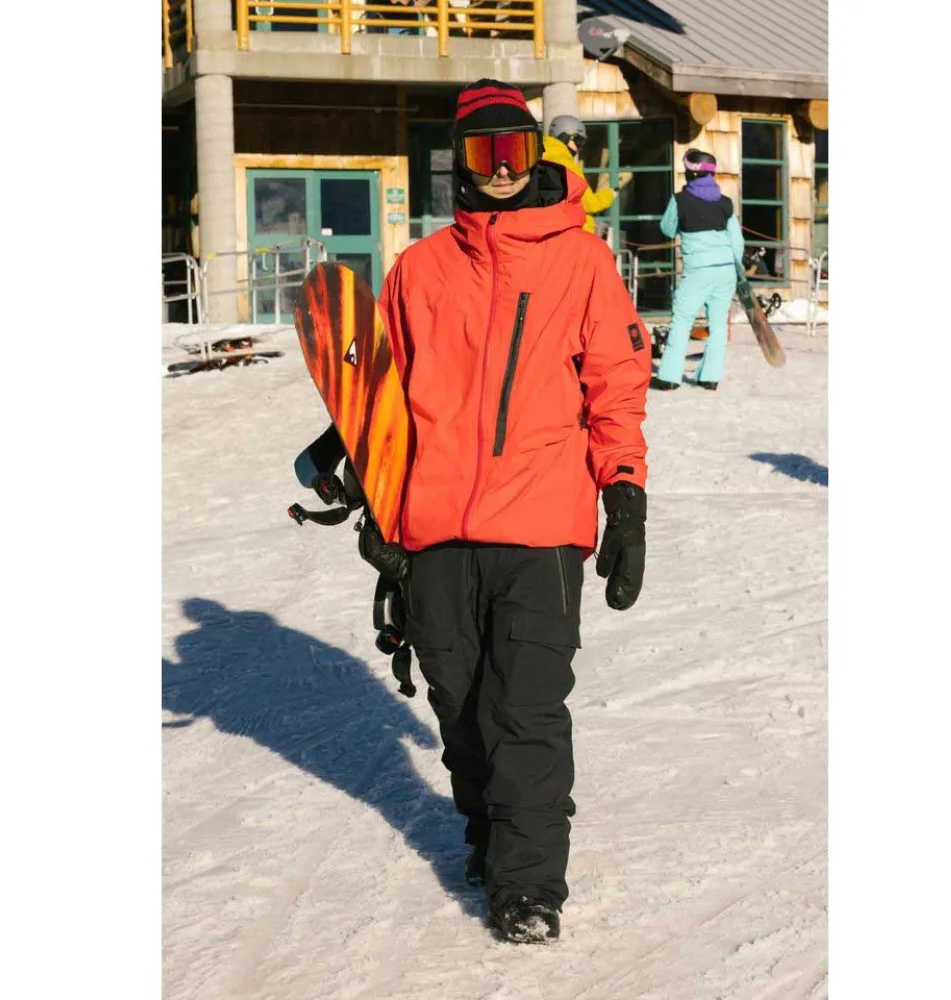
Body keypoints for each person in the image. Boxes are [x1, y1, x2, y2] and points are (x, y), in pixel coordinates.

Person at [357, 80, 652, 943]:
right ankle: (489, 834)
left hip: (542, 522)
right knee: (460, 705)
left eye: (514, 152)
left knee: (526, 707)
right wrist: (377, 504)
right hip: (435, 525)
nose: (499, 171)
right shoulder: (418, 270)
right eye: (483, 154)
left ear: (535, 156)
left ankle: (528, 886)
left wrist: (624, 493)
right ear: (459, 162)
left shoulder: (581, 260)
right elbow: (382, 403)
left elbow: (616, 384)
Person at [653, 149, 745, 391]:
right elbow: (737, 242)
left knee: (682, 319)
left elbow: (667, 228)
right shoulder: (725, 203)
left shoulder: (680, 200)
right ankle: (710, 377)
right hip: (725, 269)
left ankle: (669, 377)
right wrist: (738, 271)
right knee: (718, 323)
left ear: (691, 173)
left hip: (699, 269)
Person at [540, 114, 617, 234]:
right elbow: (590, 204)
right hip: (573, 232)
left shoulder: (537, 158)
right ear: (566, 137)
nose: (580, 148)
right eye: (579, 141)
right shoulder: (566, 165)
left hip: (549, 229)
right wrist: (611, 194)